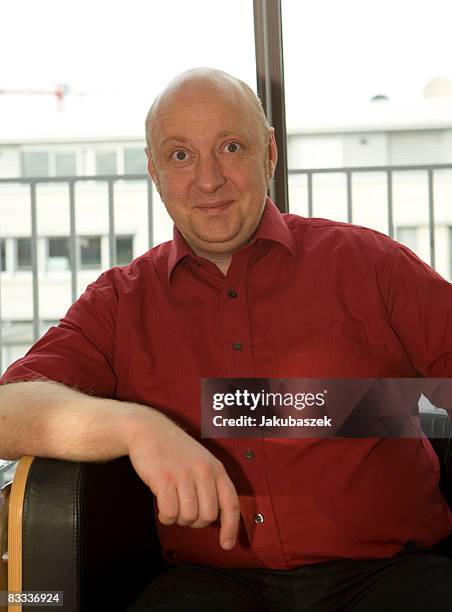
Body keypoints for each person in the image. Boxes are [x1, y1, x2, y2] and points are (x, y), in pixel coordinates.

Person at [0, 67, 451, 611]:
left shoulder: (370, 265)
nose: (208, 180)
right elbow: (7, 411)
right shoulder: (121, 302)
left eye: (231, 147)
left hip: (392, 576)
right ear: (154, 170)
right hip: (211, 586)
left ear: (269, 154)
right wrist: (139, 428)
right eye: (181, 155)